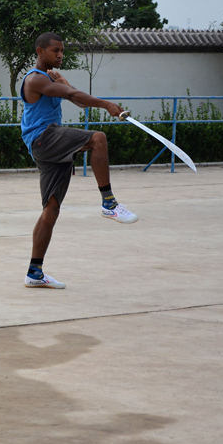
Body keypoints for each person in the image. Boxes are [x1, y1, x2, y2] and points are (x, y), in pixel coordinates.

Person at [20, 32, 139, 290]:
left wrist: (67, 84)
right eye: (55, 51)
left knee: (51, 209)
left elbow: (77, 100)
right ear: (40, 51)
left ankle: (34, 272)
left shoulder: (51, 78)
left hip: (47, 145)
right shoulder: (35, 79)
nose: (60, 55)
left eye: (62, 51)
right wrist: (106, 104)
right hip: (43, 137)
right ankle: (109, 203)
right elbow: (73, 96)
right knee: (98, 138)